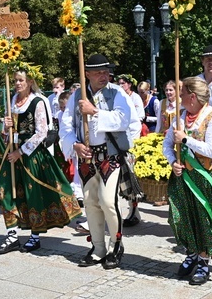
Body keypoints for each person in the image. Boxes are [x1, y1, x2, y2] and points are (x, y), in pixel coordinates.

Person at [61, 54, 140, 269]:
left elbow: (125, 120)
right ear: (87, 74)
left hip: (111, 155)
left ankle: (116, 245)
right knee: (90, 202)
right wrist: (74, 144)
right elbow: (65, 126)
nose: (104, 76)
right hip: (87, 156)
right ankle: (98, 248)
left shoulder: (117, 93)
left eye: (106, 72)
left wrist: (94, 111)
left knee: (108, 201)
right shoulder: (78, 94)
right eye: (98, 72)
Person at [0, 63, 81, 254]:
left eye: (21, 80)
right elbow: (6, 132)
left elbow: (41, 132)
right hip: (11, 152)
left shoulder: (38, 101)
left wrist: (21, 152)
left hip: (30, 155)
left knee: (31, 193)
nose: (17, 84)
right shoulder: (13, 99)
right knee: (5, 191)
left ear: (30, 82)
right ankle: (11, 234)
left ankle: (35, 235)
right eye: (16, 80)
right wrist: (6, 125)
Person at [163, 77, 212, 285]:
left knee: (205, 219)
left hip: (205, 178)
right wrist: (172, 162)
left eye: (182, 93)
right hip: (183, 176)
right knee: (183, 217)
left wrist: (185, 140)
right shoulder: (179, 117)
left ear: (192, 96)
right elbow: (167, 145)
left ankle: (204, 260)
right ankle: (192, 252)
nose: (180, 96)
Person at [116, 73, 144, 226]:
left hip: (131, 142)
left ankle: (133, 212)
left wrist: (130, 143)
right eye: (118, 83)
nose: (120, 86)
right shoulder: (118, 96)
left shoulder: (134, 98)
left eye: (123, 83)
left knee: (130, 179)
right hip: (119, 143)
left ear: (129, 84)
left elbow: (138, 120)